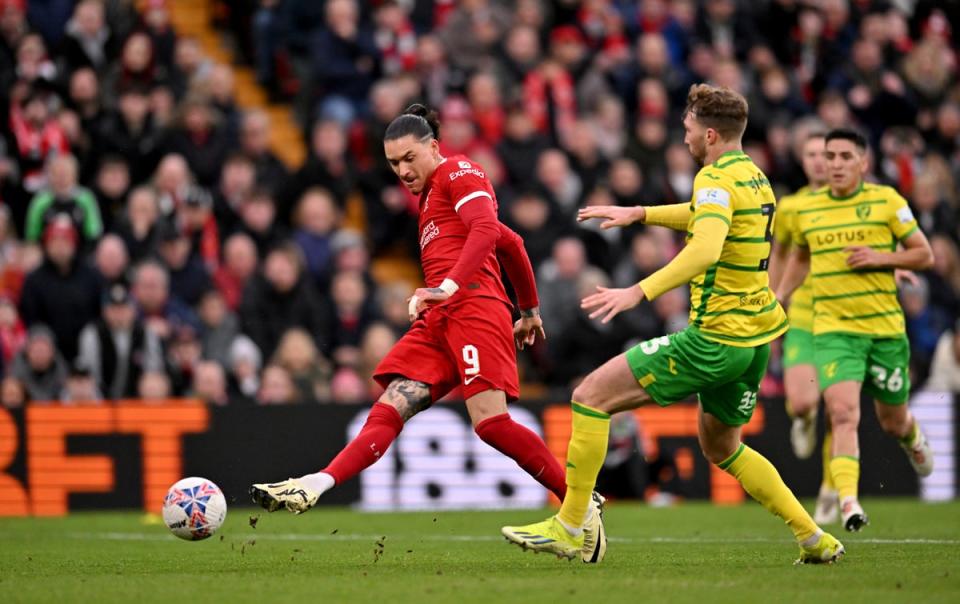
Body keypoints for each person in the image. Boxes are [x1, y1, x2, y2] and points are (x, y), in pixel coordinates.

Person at [502, 84, 844, 565]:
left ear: (709, 133)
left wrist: (636, 291)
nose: (683, 139)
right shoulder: (754, 177)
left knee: (590, 397)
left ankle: (570, 525)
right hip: (754, 342)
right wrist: (640, 213)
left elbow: (704, 246)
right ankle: (813, 537)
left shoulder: (710, 177)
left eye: (686, 130)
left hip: (711, 340)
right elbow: (708, 216)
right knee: (723, 446)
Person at [250, 104, 606, 564]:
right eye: (393, 164)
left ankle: (579, 502)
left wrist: (450, 286)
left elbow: (484, 230)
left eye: (409, 158)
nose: (402, 170)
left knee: (491, 424)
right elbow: (511, 243)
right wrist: (530, 308)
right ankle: (318, 483)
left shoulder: (460, 171)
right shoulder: (431, 197)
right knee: (389, 406)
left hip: (473, 307)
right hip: (440, 318)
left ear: (433, 147)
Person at [776, 128, 935, 532]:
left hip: (883, 330)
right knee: (843, 413)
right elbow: (797, 256)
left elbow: (925, 254)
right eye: (829, 157)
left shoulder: (886, 201)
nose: (835, 164)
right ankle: (847, 501)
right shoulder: (805, 209)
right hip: (832, 330)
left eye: (845, 157)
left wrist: (882, 258)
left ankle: (912, 436)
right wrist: (778, 298)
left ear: (863, 163)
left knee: (892, 421)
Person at [768, 131, 840, 524]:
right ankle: (803, 419)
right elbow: (779, 255)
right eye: (810, 154)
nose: (818, 161)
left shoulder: (854, 205)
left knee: (839, 406)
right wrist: (774, 299)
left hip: (842, 316)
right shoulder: (792, 207)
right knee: (803, 402)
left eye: (825, 154)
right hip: (802, 314)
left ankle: (832, 488)